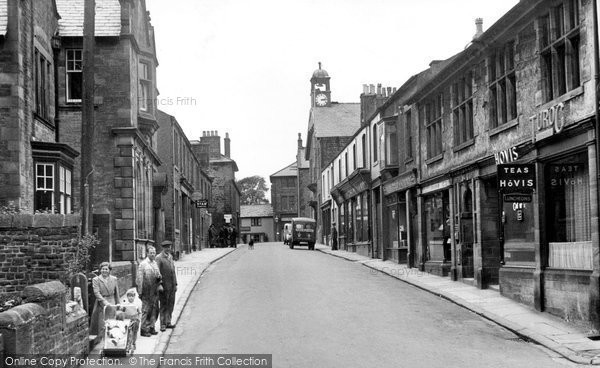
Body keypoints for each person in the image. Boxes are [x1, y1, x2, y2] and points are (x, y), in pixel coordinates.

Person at [136, 245, 162, 337]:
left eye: (154, 253)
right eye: (151, 253)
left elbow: (159, 275)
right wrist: (140, 292)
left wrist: (159, 279)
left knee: (155, 310)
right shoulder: (143, 264)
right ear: (147, 253)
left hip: (154, 290)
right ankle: (144, 329)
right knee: (146, 311)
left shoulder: (155, 263)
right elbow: (139, 279)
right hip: (146, 291)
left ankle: (152, 327)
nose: (152, 254)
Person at [90, 262, 120, 337]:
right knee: (102, 323)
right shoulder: (96, 279)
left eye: (106, 269)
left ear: (109, 270)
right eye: (103, 269)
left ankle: (111, 339)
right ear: (100, 270)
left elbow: (117, 292)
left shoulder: (114, 279)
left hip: (112, 301)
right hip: (101, 303)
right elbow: (96, 292)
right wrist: (104, 302)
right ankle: (102, 341)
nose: (104, 271)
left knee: (112, 322)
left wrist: (118, 303)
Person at [156, 240, 177, 332]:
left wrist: (175, 284)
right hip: (164, 286)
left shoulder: (170, 257)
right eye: (166, 247)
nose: (168, 249)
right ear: (163, 248)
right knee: (164, 305)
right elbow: (157, 273)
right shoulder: (159, 258)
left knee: (171, 304)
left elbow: (173, 271)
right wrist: (159, 284)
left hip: (171, 285)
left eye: (169, 247)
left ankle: (168, 322)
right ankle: (163, 324)